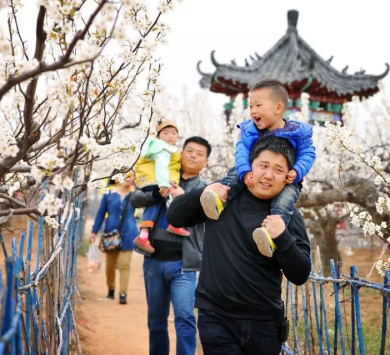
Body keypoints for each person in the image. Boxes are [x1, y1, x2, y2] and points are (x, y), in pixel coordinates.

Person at [167, 136, 311, 355]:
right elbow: (175, 216)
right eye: (263, 166)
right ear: (249, 167)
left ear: (288, 178)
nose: (269, 175)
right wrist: (205, 191)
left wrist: (282, 237)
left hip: (265, 324)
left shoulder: (287, 216)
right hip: (216, 318)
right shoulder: (221, 200)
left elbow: (300, 273)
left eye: (278, 170)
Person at [200, 79, 315, 257]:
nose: (253, 111)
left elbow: (308, 153)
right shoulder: (251, 130)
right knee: (234, 175)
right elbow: (242, 150)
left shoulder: (298, 132)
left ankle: (270, 235)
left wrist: (298, 170)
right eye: (250, 106)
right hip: (253, 170)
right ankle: (219, 199)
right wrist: (245, 171)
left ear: (278, 108)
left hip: (287, 179)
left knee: (284, 203)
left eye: (258, 105)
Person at [141, 136, 212, 355]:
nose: (193, 156)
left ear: (206, 162)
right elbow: (136, 198)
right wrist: (157, 191)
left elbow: (210, 217)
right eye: (189, 151)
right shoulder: (163, 175)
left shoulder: (206, 190)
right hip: (153, 262)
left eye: (199, 154)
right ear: (180, 153)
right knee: (156, 320)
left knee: (185, 318)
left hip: (184, 265)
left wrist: (186, 198)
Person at [133, 119, 190, 254]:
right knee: (172, 196)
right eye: (166, 133)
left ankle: (143, 235)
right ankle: (174, 224)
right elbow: (161, 166)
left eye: (173, 133)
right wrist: (164, 184)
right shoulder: (161, 148)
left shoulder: (157, 147)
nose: (170, 136)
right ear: (158, 135)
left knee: (155, 204)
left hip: (149, 179)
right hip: (156, 180)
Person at [89, 171, 138, 305]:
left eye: (131, 176)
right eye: (125, 175)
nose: (128, 178)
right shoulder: (109, 195)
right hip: (111, 233)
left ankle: (123, 293)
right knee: (110, 265)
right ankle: (111, 289)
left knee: (124, 264)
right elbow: (100, 214)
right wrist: (94, 231)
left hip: (129, 233)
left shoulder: (135, 196)